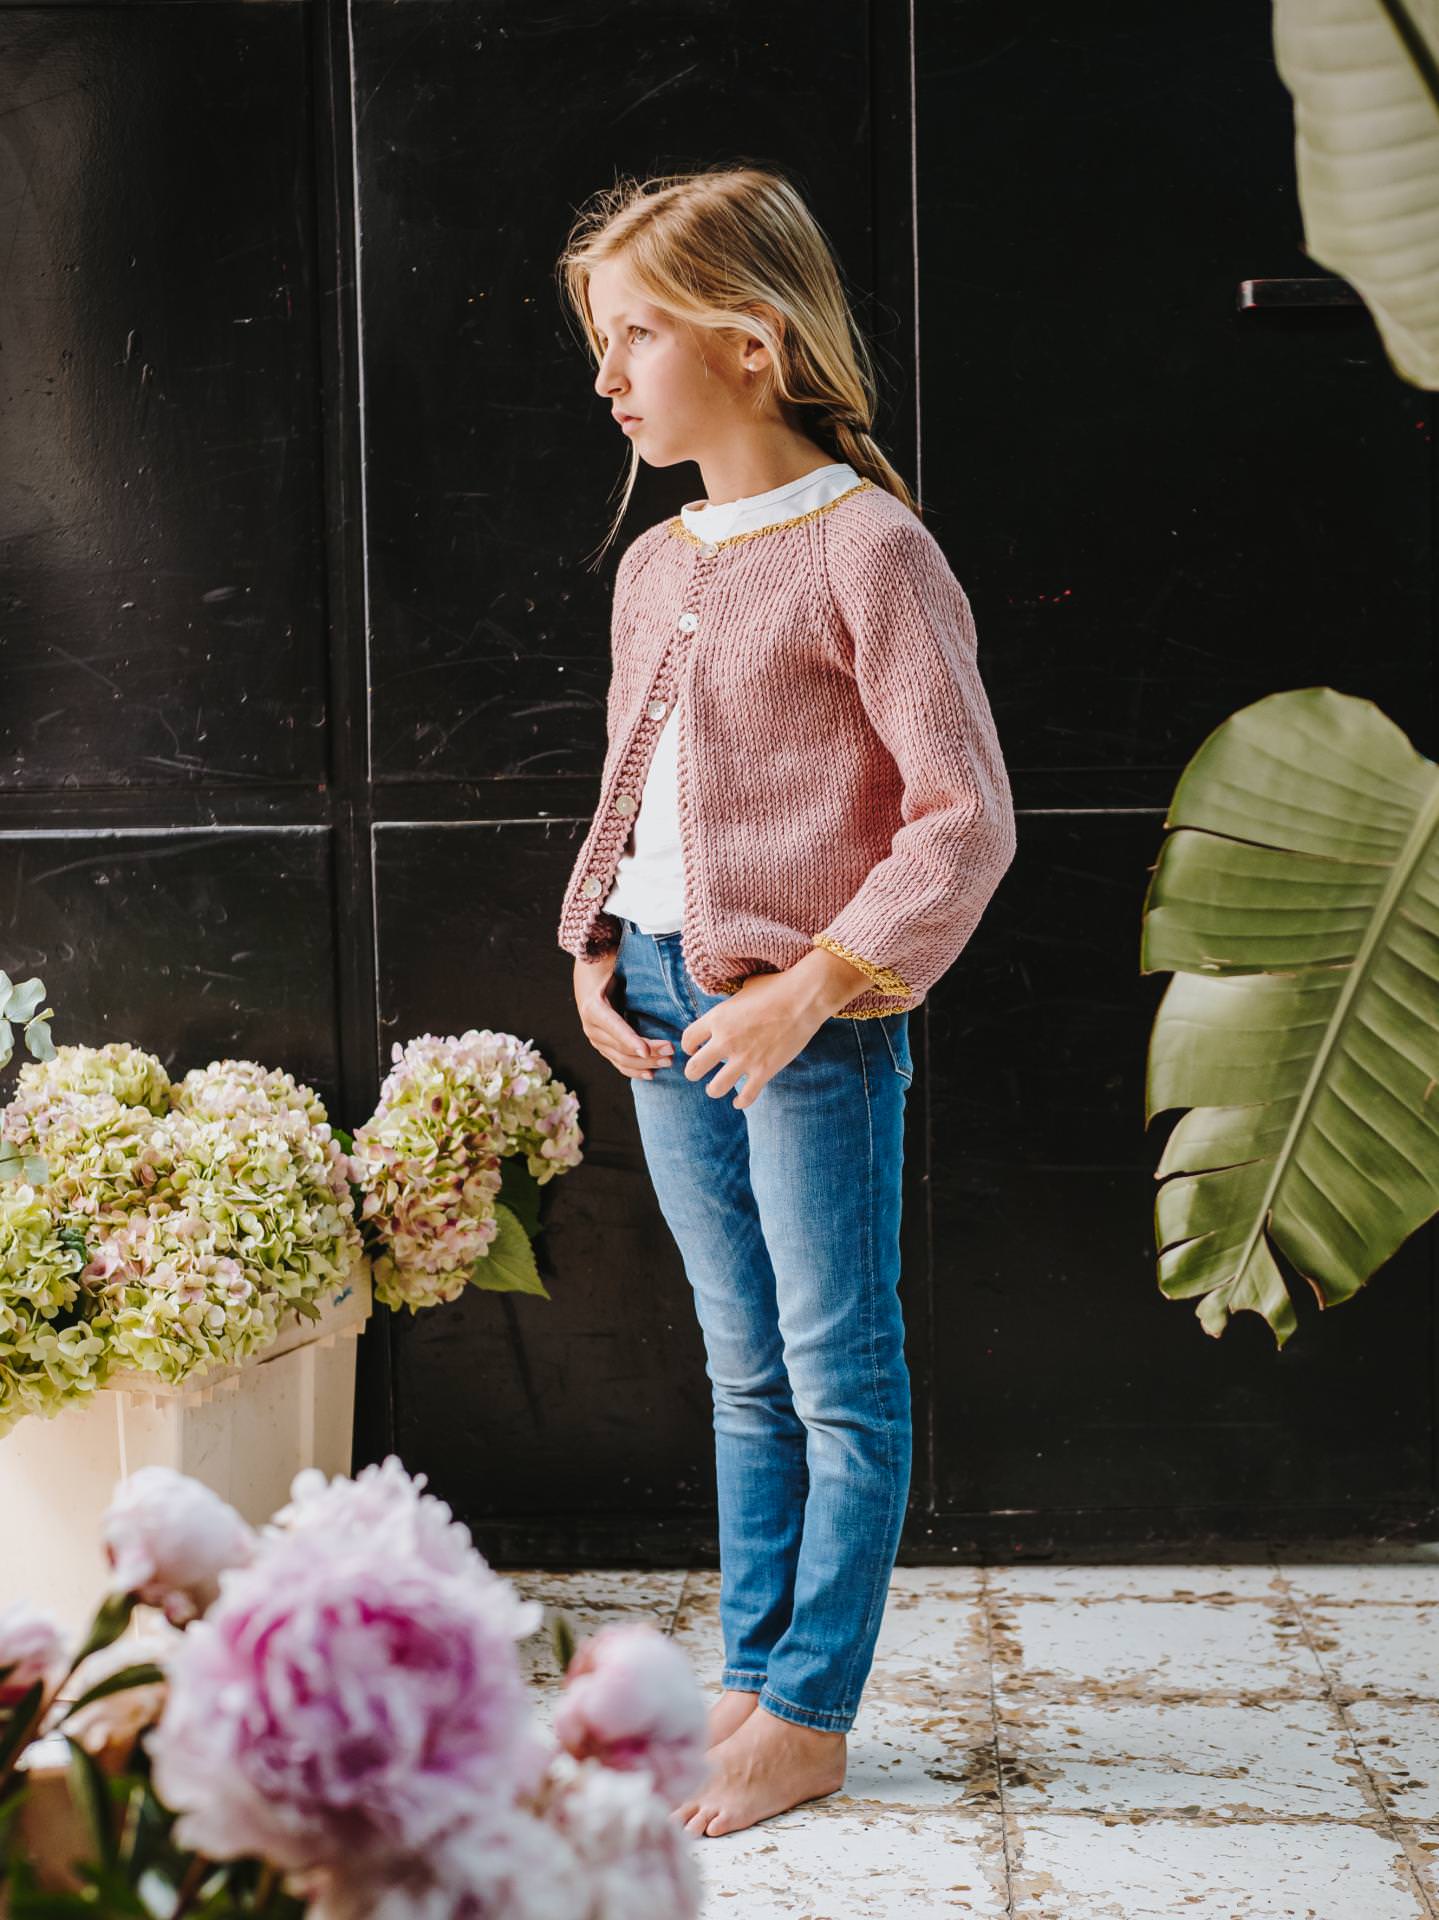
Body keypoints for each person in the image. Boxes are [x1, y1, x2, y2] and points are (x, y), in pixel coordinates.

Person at [553, 165, 1017, 1839]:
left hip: (803, 1024)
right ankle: (747, 1683)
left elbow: (962, 817)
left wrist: (811, 993)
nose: (608, 373)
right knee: (739, 1367)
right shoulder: (655, 560)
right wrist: (596, 946)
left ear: (750, 343)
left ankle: (809, 1715)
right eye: (600, 339)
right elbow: (636, 783)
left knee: (836, 1375)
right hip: (669, 1008)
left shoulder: (872, 552)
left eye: (636, 332)